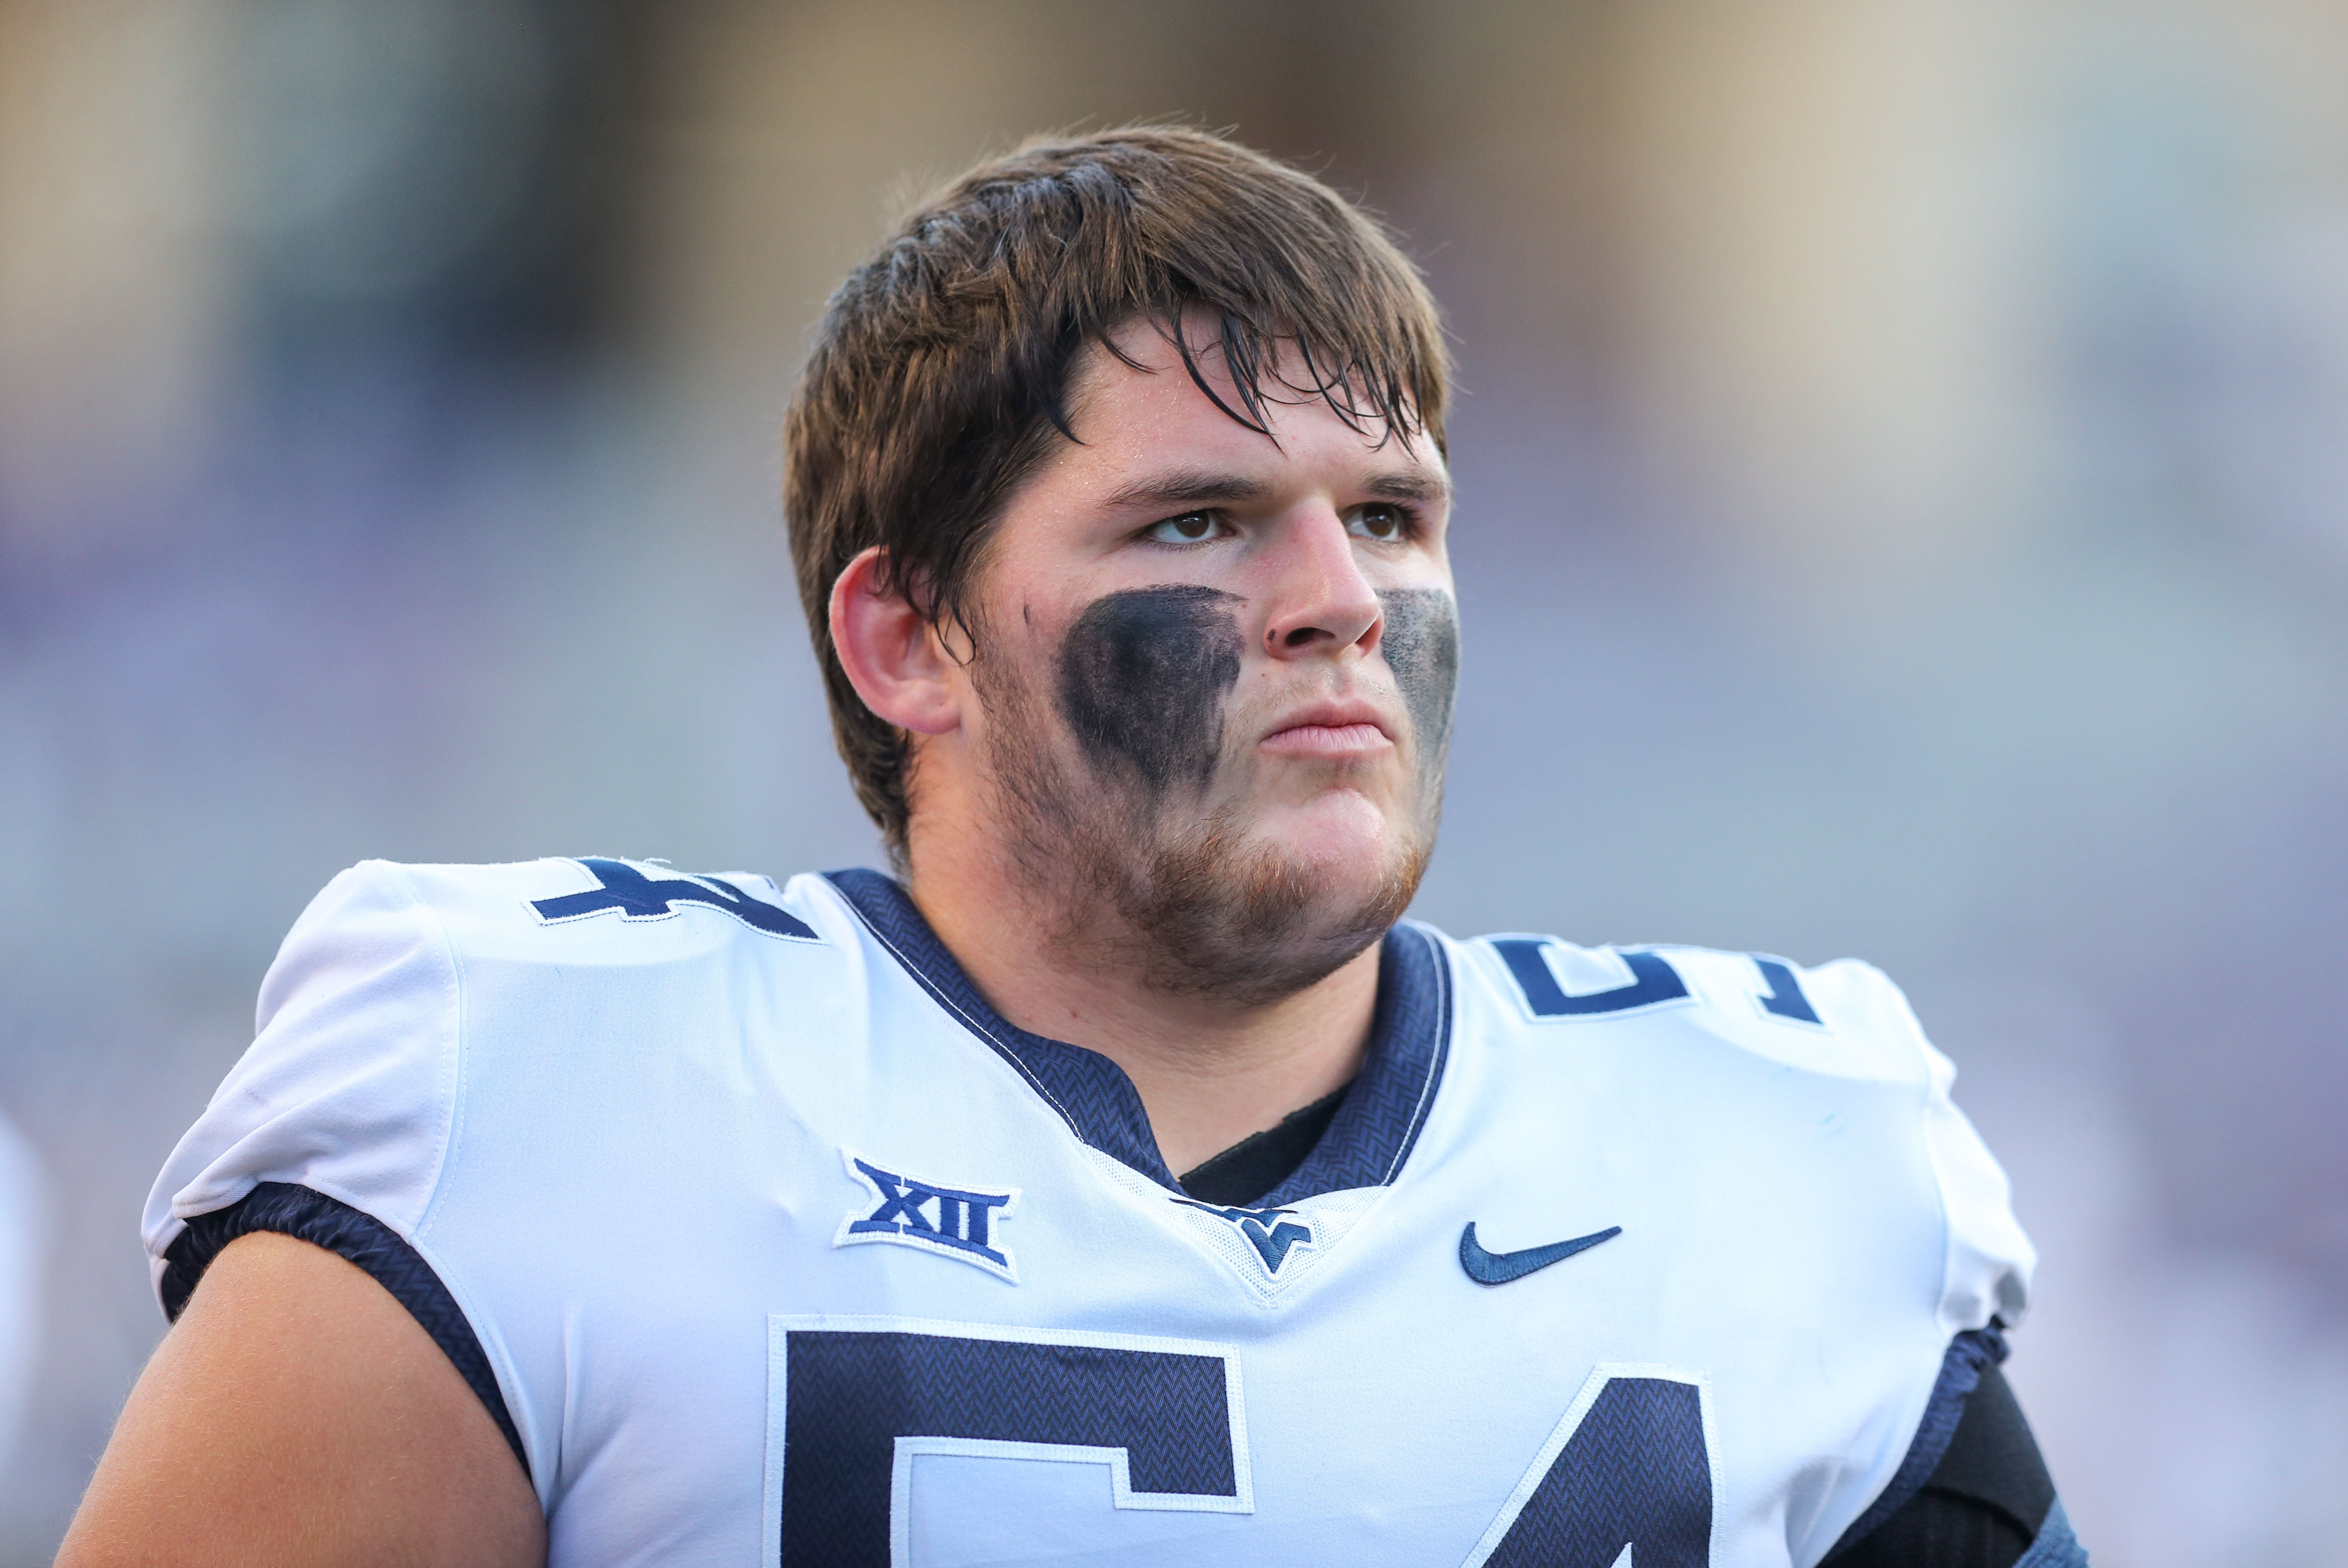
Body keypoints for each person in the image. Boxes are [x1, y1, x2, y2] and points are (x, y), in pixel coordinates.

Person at [60, 127, 2082, 1568]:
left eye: (1387, 517)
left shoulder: (1778, 1151)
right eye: (1196, 522)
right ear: (904, 635)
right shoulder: (528, 1089)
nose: (1338, 602)